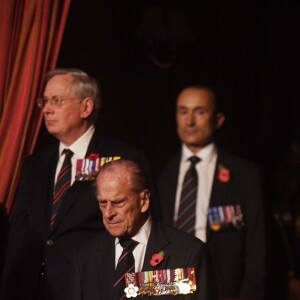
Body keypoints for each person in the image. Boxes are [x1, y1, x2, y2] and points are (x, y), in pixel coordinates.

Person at [0, 69, 160, 300]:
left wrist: (143, 292)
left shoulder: (123, 160)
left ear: (86, 107)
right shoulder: (34, 165)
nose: (46, 109)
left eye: (57, 100)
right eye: (44, 101)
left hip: (94, 289)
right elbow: (20, 237)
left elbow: (150, 234)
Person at [156, 86, 265, 300]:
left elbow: (256, 248)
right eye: (183, 111)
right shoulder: (158, 173)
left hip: (220, 289)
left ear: (218, 119)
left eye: (200, 112)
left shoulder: (245, 175)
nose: (189, 122)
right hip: (167, 287)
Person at [68, 159, 218, 300]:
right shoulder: (85, 257)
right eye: (102, 203)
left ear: (144, 200)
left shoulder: (187, 254)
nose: (108, 213)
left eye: (119, 202)